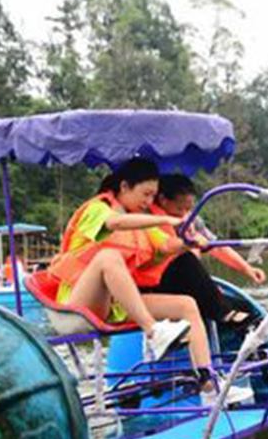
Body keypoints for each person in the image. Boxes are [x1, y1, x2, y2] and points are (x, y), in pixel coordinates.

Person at [47, 158, 250, 404]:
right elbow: (115, 223)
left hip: (114, 306)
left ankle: (209, 385)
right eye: (145, 194)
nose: (149, 201)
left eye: (153, 195)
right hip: (77, 306)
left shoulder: (140, 221)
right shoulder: (98, 209)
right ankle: (154, 332)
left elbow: (165, 245)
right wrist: (165, 220)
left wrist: (188, 242)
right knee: (108, 257)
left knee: (186, 305)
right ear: (124, 187)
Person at [145, 173, 266, 326]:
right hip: (158, 282)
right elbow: (164, 248)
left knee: (244, 307)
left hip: (188, 281)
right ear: (163, 200)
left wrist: (247, 269)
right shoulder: (147, 219)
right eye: (179, 208)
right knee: (186, 259)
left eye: (188, 208)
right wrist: (189, 243)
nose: (184, 214)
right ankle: (224, 313)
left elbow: (216, 247)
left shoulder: (191, 220)